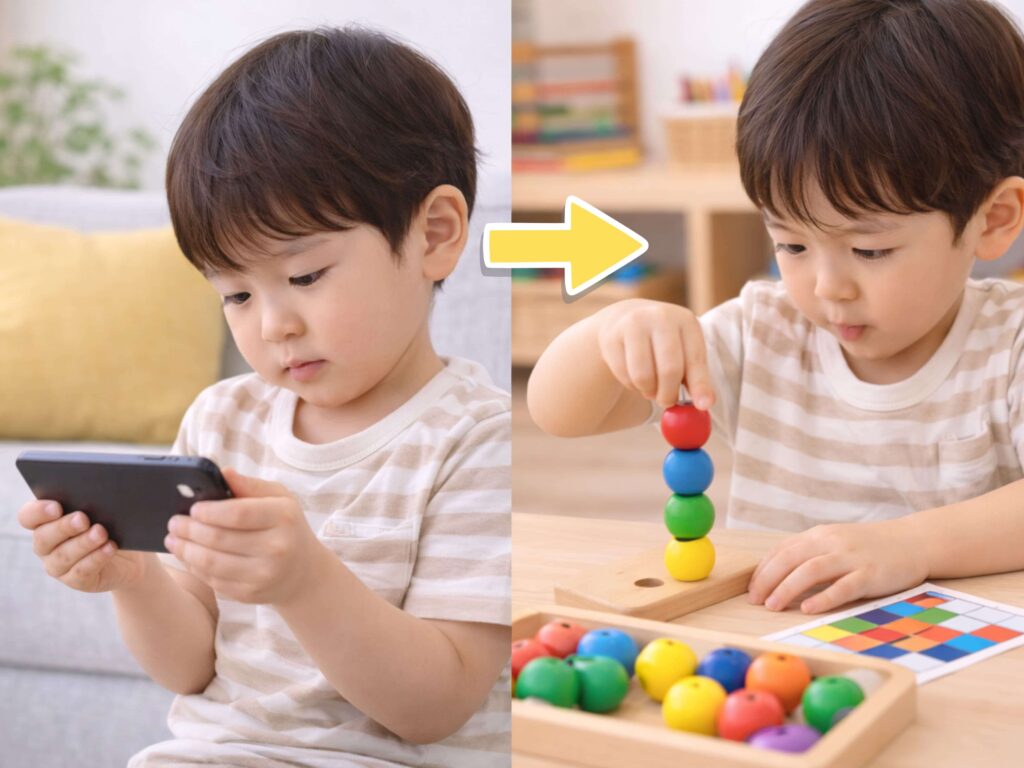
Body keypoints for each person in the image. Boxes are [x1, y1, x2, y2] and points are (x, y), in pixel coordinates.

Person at [18, 26, 509, 768]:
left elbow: (435, 708)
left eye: (305, 276)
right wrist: (134, 578)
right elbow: (189, 668)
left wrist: (306, 582)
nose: (273, 324)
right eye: (237, 293)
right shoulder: (223, 421)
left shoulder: (476, 440)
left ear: (436, 234)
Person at [528, 0, 1024, 616]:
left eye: (869, 250)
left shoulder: (1009, 347)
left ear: (993, 220)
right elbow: (558, 413)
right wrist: (612, 333)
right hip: (774, 661)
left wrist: (910, 543)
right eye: (791, 243)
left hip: (960, 669)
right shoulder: (762, 335)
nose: (827, 286)